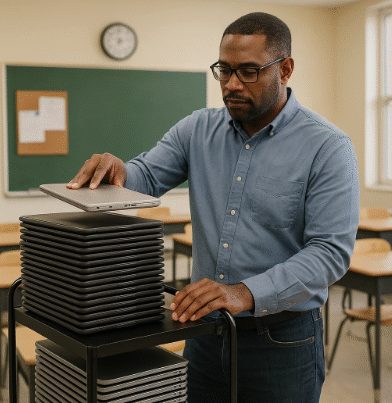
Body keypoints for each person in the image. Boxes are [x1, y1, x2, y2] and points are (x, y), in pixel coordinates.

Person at [67, 12, 360, 403]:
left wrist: (245, 292)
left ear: (285, 69)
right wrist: (120, 171)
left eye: (249, 71)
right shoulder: (197, 129)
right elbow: (146, 176)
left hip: (283, 341)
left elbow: (329, 253)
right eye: (224, 70)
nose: (232, 84)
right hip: (205, 333)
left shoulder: (327, 148)